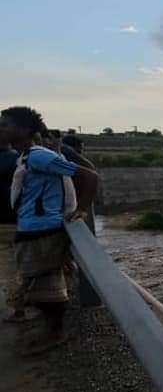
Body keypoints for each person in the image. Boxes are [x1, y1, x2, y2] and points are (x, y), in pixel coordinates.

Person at [0, 107, 98, 353]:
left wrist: (82, 210)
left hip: (43, 230)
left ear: (22, 130)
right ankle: (51, 331)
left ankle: (55, 333)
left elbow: (89, 176)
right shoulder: (26, 156)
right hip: (33, 230)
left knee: (46, 289)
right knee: (40, 287)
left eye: (5, 125)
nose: (1, 129)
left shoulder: (38, 157)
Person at [0, 126, 21, 322]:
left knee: (12, 269)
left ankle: (18, 308)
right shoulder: (18, 157)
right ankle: (18, 307)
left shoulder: (13, 158)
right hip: (16, 220)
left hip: (10, 222)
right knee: (15, 268)